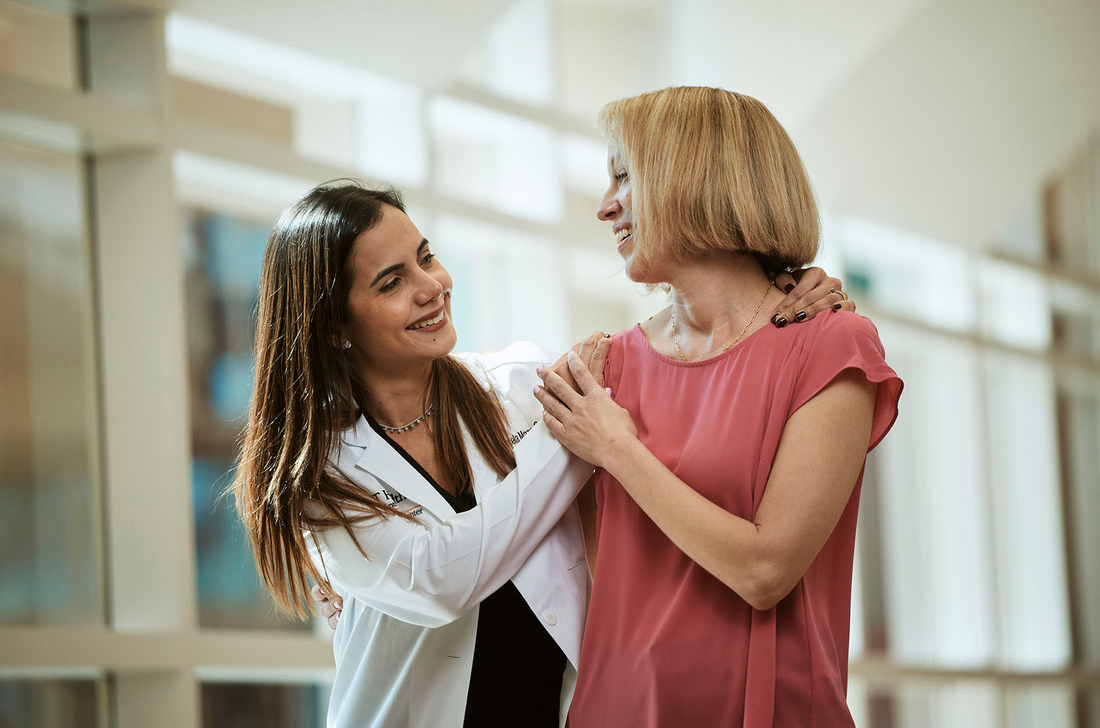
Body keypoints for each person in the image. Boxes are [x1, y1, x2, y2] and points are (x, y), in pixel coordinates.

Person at [238, 182, 852, 728]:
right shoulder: (311, 475)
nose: (432, 288)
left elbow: (677, 382)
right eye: (392, 282)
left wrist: (782, 297)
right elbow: (440, 580)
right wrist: (578, 441)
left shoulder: (518, 385)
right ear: (334, 326)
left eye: (426, 257)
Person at [533, 86, 903, 727]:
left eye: (625, 175)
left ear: (696, 176)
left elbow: (766, 570)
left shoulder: (831, 344)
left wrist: (616, 448)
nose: (604, 207)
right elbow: (594, 568)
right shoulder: (606, 370)